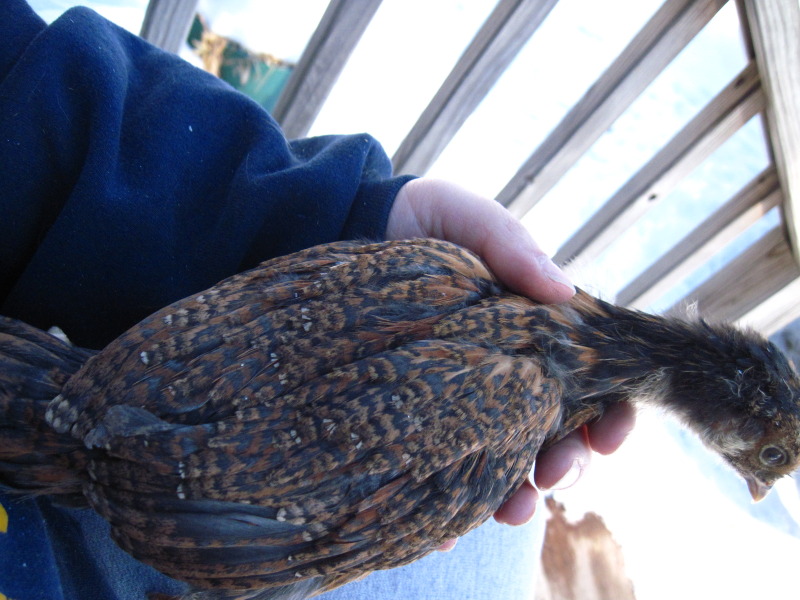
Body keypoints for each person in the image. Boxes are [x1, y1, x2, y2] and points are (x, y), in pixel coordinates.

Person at [0, 2, 635, 598]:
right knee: (493, 550)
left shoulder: (475, 319)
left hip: (83, 453)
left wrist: (332, 220)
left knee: (498, 544)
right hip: (81, 507)